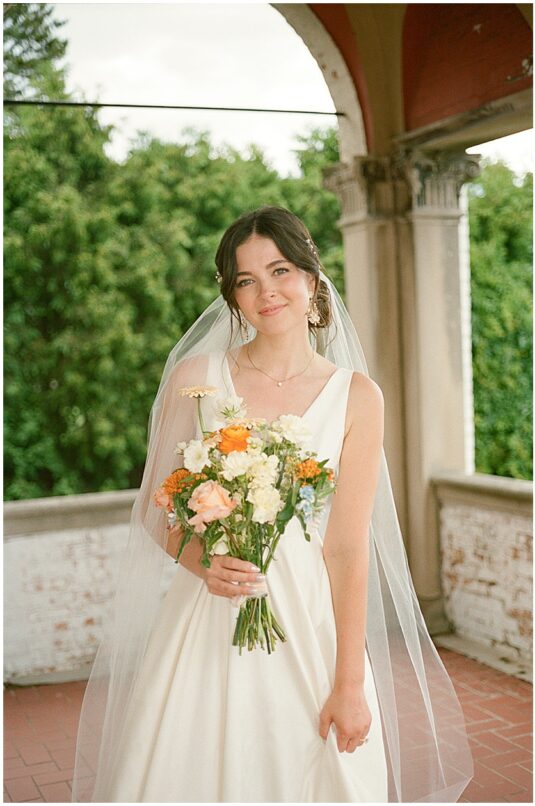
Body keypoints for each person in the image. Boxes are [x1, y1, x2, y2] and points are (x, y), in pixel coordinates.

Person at [72, 206, 473, 801]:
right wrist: (204, 564)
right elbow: (157, 509)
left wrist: (350, 681)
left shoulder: (358, 397)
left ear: (312, 278)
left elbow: (344, 546)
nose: (267, 292)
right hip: (209, 620)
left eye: (280, 270)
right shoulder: (198, 376)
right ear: (232, 296)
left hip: (308, 624)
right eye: (246, 280)